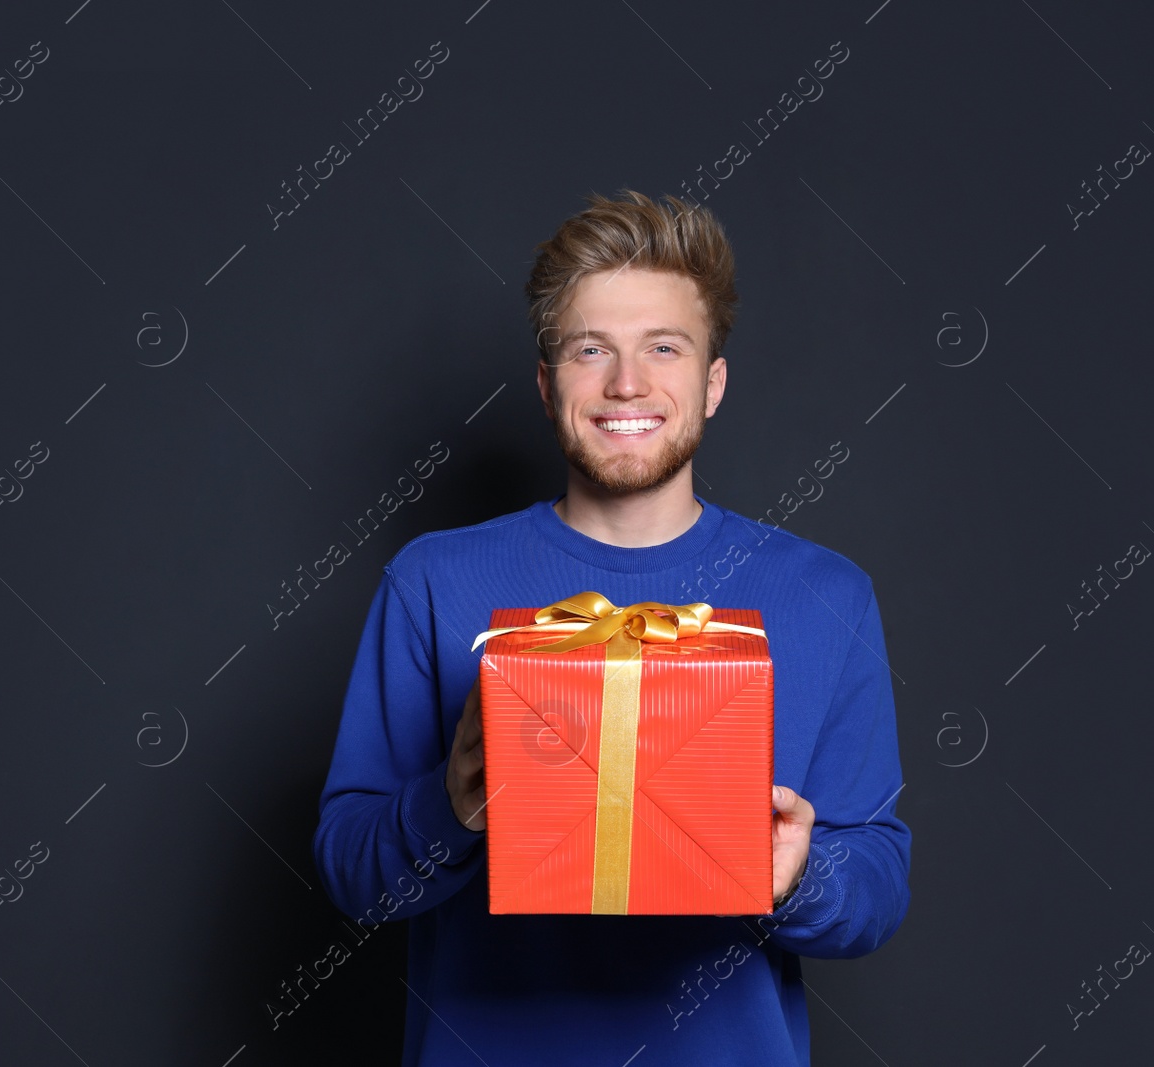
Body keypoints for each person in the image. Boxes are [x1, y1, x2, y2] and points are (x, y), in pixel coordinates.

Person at [311, 190, 910, 1065]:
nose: (627, 383)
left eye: (663, 348)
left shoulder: (826, 594)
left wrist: (800, 877)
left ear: (711, 382)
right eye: (592, 349)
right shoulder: (435, 580)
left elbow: (879, 883)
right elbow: (349, 869)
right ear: (549, 383)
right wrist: (448, 806)